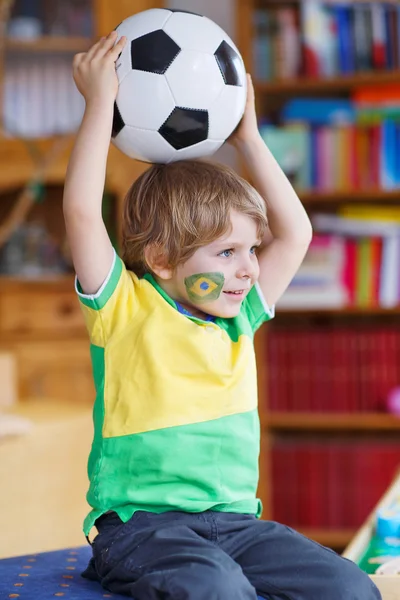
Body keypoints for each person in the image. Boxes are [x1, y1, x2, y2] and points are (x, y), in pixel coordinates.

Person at [63, 31, 381, 600]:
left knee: (348, 588)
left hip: (235, 527)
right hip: (141, 530)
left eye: (252, 251)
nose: (249, 270)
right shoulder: (124, 309)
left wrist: (250, 139)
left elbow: (298, 232)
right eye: (227, 253)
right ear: (161, 259)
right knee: (215, 587)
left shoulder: (239, 318)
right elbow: (84, 214)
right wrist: (96, 107)